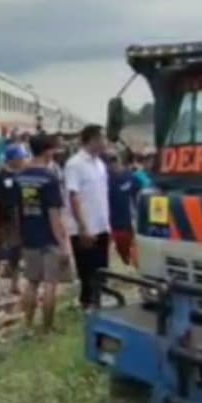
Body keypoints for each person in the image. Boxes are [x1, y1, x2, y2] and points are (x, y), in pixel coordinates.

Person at [16, 133, 70, 332]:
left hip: (29, 236)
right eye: (53, 149)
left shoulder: (20, 176)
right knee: (50, 284)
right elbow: (54, 217)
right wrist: (63, 245)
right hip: (48, 238)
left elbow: (16, 210)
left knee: (31, 282)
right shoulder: (49, 178)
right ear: (47, 150)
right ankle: (47, 327)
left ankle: (28, 325)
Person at [65, 124, 112, 312]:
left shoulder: (100, 164)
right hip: (84, 227)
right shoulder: (75, 164)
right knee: (87, 268)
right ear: (92, 140)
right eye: (103, 138)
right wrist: (83, 227)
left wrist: (108, 224)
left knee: (101, 267)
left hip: (101, 225)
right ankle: (87, 304)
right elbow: (73, 196)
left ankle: (98, 300)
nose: (105, 142)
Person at [0, 143, 28, 297]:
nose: (24, 160)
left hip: (20, 220)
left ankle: (14, 285)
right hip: (5, 221)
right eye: (21, 157)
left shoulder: (23, 175)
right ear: (13, 159)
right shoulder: (0, 177)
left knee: (17, 253)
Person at [106, 153, 141, 266]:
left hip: (130, 222)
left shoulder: (130, 177)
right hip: (113, 223)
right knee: (121, 253)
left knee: (134, 251)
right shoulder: (106, 180)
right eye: (110, 163)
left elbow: (138, 194)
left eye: (115, 161)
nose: (113, 165)